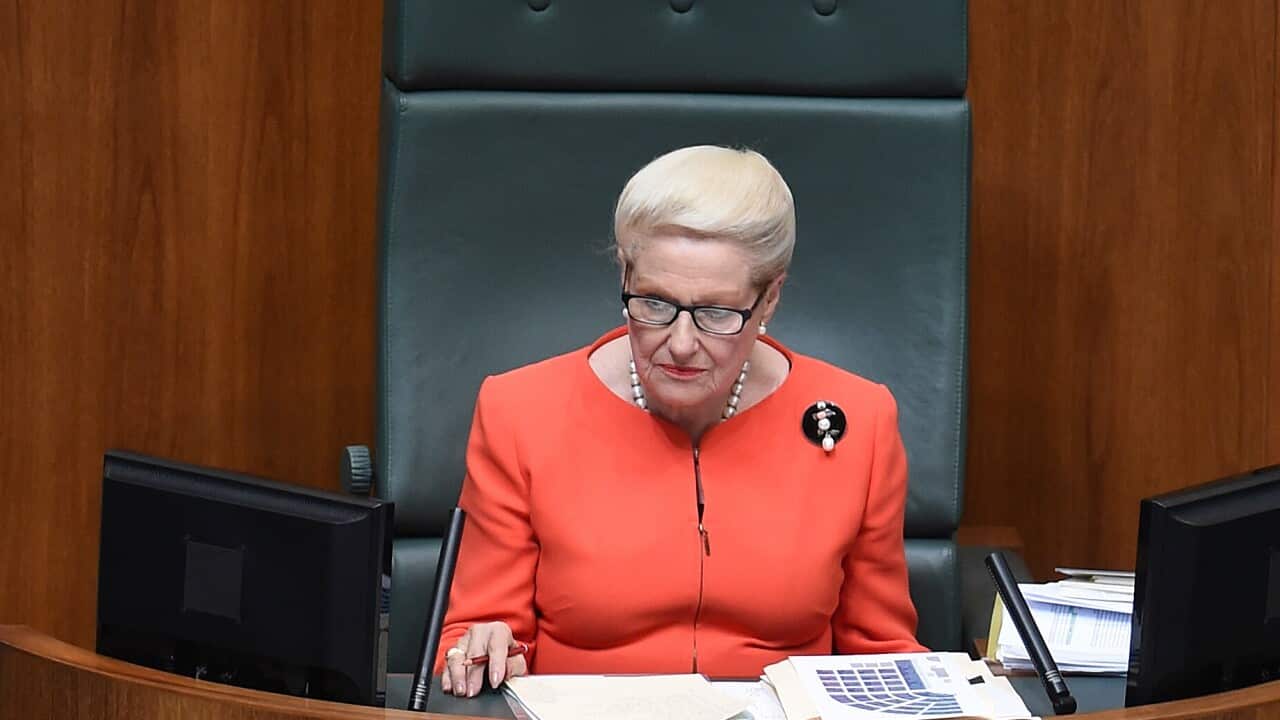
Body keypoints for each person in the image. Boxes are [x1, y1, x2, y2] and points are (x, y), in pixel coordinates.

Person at [438, 145, 925, 698]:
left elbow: (880, 651)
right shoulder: (519, 410)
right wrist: (483, 652)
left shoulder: (860, 419)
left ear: (769, 300)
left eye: (717, 313)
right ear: (624, 275)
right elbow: (471, 634)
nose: (682, 343)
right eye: (654, 303)